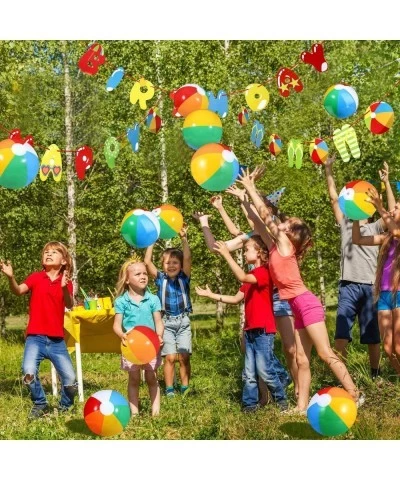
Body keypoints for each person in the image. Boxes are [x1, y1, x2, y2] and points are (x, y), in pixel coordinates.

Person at [237, 168, 364, 414]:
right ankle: (301, 406)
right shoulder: (275, 247)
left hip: (306, 304)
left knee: (325, 353)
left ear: (291, 234)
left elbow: (265, 215)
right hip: (296, 306)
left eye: (288, 223)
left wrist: (252, 188)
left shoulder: (285, 244)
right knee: (302, 359)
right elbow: (257, 220)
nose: (282, 221)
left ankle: (355, 393)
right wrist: (245, 194)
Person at [193, 188, 299, 398]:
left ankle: (297, 391)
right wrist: (206, 221)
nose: (256, 215)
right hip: (259, 297)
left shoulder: (276, 234)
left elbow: (253, 217)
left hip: (280, 295)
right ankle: (263, 398)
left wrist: (245, 198)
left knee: (290, 349)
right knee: (250, 347)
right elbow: (219, 245)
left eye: (261, 212)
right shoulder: (251, 238)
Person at [196, 235, 290, 412]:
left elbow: (242, 276)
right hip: (250, 330)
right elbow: (235, 299)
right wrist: (211, 295)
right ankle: (249, 406)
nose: (245, 252)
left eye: (247, 249)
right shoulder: (250, 278)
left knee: (265, 371)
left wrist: (226, 254)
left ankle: (282, 402)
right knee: (248, 373)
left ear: (261, 253)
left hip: (263, 330)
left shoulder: (263, 273)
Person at [325, 158, 395, 378]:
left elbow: (392, 212)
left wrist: (386, 182)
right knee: (341, 334)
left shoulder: (376, 227)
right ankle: (342, 377)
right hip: (348, 286)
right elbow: (334, 197)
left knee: (372, 336)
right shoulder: (346, 224)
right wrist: (328, 170)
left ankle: (374, 374)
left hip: (370, 289)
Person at [0, 241, 77, 419]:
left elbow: (69, 304)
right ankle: (40, 403)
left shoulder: (66, 282)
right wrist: (11, 277)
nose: (48, 254)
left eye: (54, 252)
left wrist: (64, 287)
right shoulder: (35, 277)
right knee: (28, 372)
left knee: (71, 381)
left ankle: (65, 407)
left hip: (57, 341)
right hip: (35, 338)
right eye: (46, 252)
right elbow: (19, 290)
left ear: (64, 261)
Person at [352, 187, 400, 376]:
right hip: (384, 295)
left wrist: (380, 206)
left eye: (396, 207)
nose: (392, 209)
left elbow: (396, 231)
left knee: (398, 346)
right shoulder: (387, 238)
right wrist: (354, 214)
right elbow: (357, 239)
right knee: (388, 348)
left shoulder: (397, 234)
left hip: (399, 293)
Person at [144, 225, 192, 397]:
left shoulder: (184, 277)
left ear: (180, 265)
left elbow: (187, 257)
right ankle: (170, 389)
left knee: (184, 356)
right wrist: (151, 241)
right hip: (166, 322)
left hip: (183, 321)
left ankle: (185, 387)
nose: (171, 265)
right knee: (170, 357)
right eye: (167, 262)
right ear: (162, 265)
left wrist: (184, 238)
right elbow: (147, 263)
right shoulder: (159, 279)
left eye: (175, 262)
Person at [113, 256, 164, 416]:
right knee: (134, 379)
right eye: (137, 274)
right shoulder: (122, 301)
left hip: (151, 346)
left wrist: (159, 336)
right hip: (131, 347)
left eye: (145, 273)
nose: (143, 276)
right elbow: (116, 325)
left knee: (152, 378)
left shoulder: (153, 299)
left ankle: (155, 413)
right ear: (126, 280)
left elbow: (159, 322)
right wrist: (122, 335)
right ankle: (134, 413)